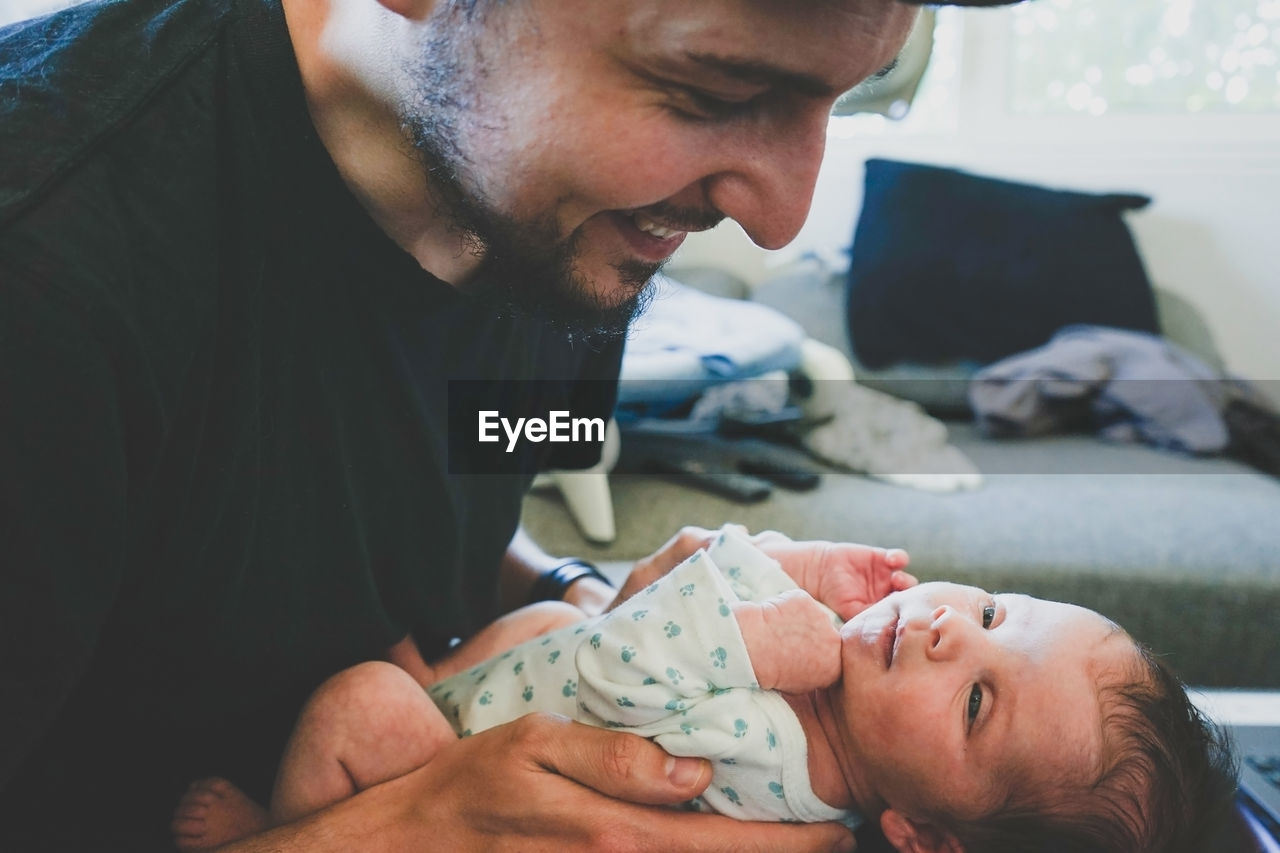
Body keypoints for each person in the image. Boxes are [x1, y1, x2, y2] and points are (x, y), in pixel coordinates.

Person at [0, 0, 1065, 850]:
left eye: (845, 96)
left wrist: (579, 591)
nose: (779, 216)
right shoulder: (48, 273)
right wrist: (390, 832)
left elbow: (465, 469)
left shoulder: (562, 245)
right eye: (713, 88)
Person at [172, 527, 1237, 853]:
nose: (952, 627)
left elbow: (635, 664)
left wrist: (746, 610)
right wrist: (785, 567)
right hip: (498, 690)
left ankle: (290, 824)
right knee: (542, 618)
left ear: (917, 834)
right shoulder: (829, 693)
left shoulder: (770, 772)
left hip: (439, 767)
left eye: (975, 702)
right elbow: (633, 601)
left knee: (359, 701)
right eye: (998, 610)